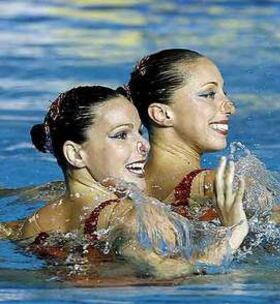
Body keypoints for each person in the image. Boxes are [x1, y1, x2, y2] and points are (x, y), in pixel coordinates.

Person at [1, 86, 249, 281]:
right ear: (75, 154)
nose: (144, 145)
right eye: (121, 135)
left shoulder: (36, 221)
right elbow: (174, 271)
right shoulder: (124, 213)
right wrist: (234, 230)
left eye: (139, 132)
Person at [127, 48, 280, 230]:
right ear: (162, 113)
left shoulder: (125, 184)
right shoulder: (218, 184)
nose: (229, 107)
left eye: (223, 93)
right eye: (208, 94)